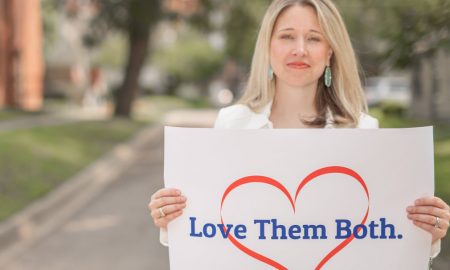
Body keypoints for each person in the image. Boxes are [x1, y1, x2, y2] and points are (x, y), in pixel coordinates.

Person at [148, 0, 450, 265]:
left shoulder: (363, 130)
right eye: (287, 36)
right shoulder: (231, 124)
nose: (300, 49)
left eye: (314, 38)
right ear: (268, 46)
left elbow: (381, 234)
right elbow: (213, 227)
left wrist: (427, 234)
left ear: (330, 51)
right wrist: (172, 220)